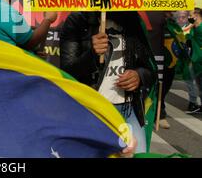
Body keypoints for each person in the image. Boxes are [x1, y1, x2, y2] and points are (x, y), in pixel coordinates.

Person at [59, 11, 157, 153]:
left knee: (139, 154)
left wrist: (139, 76)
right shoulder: (78, 20)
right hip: (91, 111)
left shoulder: (133, 19)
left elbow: (149, 67)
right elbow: (67, 72)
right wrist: (92, 54)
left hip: (128, 109)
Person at [185, 8, 202, 113]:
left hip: (199, 59)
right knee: (197, 81)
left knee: (191, 79)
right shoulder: (195, 27)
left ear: (196, 15)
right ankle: (194, 103)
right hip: (195, 58)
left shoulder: (199, 28)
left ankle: (193, 103)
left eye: (191, 15)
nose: (189, 17)